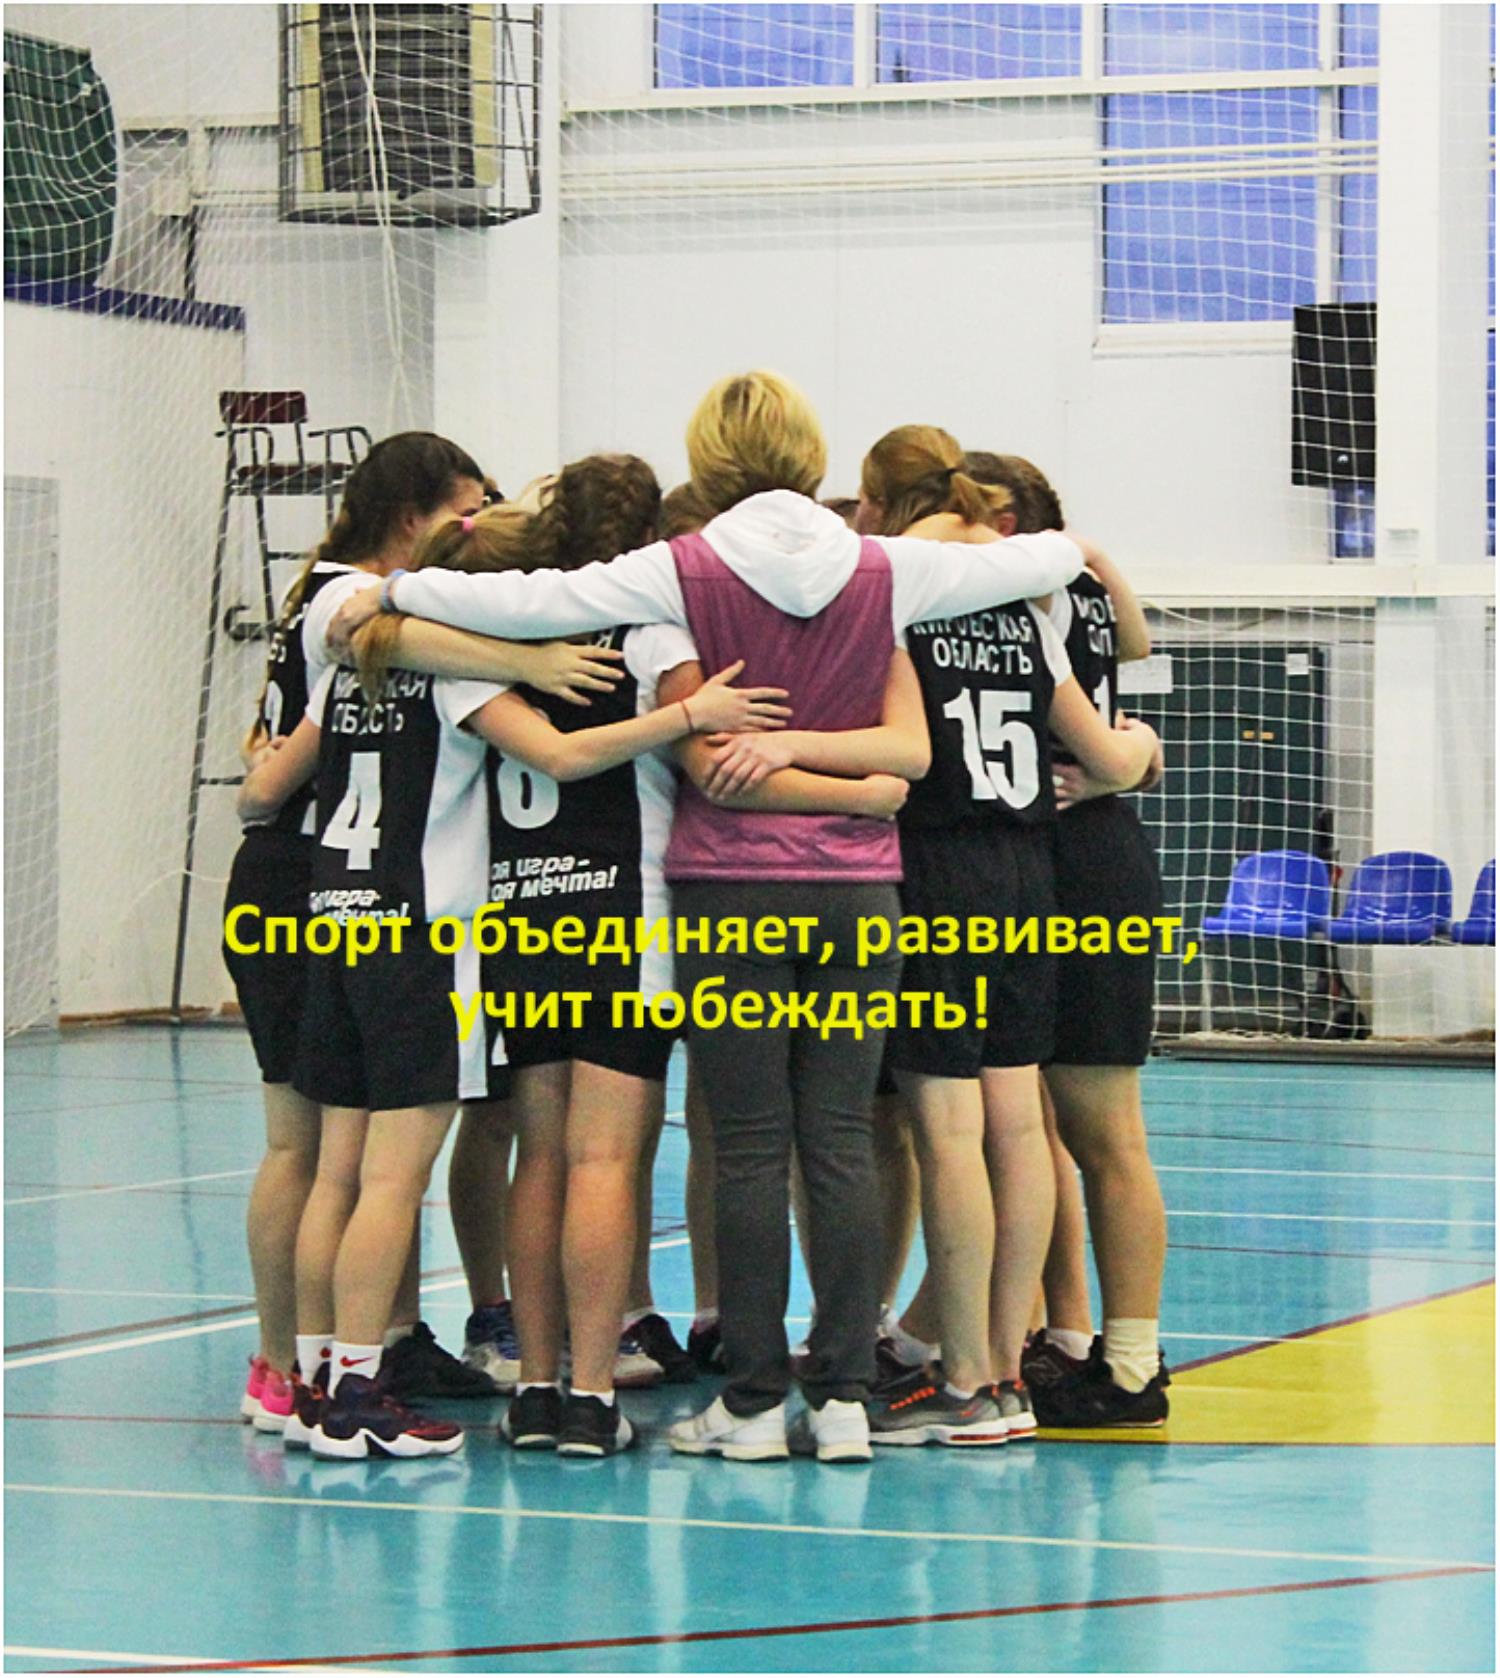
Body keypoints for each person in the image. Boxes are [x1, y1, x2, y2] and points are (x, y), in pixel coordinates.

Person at [225, 432, 611, 1429]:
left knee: (339, 1158)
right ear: (413, 517)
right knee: (320, 1155)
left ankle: (344, 1358)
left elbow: (263, 783)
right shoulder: (355, 602)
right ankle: (300, 1368)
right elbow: (388, 641)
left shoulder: (348, 610)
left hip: (325, 882)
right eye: (466, 512)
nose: (475, 530)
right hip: (337, 891)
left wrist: (262, 773)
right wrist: (528, 659)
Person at [813, 426, 1160, 1446]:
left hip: (941, 867)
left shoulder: (900, 593)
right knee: (1022, 1129)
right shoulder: (1029, 605)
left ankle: (962, 1376)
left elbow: (896, 743)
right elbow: (1111, 743)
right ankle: (1007, 1368)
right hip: (1030, 875)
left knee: (949, 1133)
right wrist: (1138, 749)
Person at [966, 454, 1172, 1428]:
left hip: (1075, 865)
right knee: (1036, 1129)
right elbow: (1135, 642)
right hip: (1065, 856)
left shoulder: (1023, 599)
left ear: (1003, 523)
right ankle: (1073, 1339)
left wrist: (1123, 761)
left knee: (1100, 1133)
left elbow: (1103, 736)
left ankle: (1128, 1365)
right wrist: (1135, 756)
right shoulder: (1084, 580)